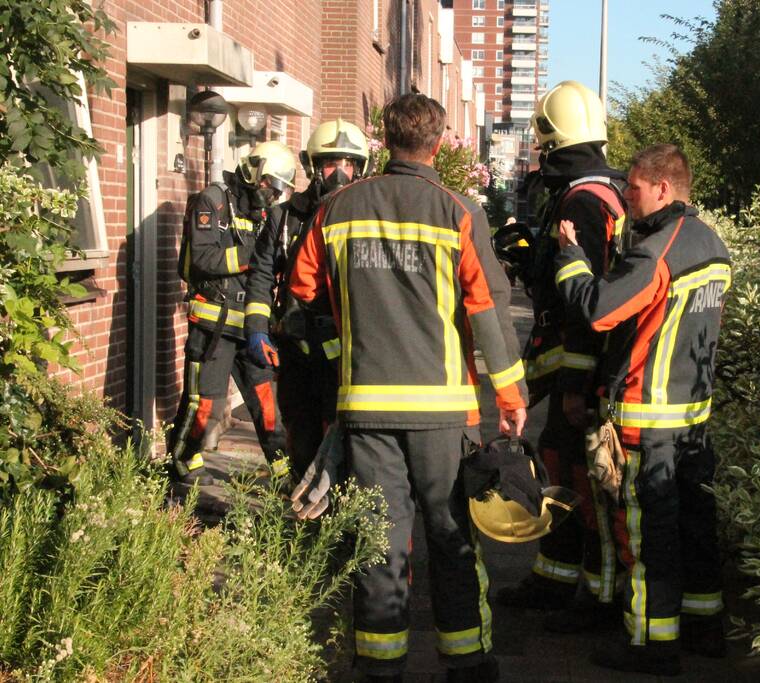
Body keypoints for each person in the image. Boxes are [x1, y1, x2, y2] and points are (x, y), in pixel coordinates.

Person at [288, 93, 527, 683]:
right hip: (444, 414)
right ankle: (466, 664)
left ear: (384, 141)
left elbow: (302, 290)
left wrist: (350, 322)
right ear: (438, 144)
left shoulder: (335, 209)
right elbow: (487, 310)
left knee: (379, 541)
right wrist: (511, 398)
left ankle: (379, 665)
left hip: (366, 410)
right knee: (451, 537)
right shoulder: (458, 211)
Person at [554, 144, 731, 676]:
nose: (625, 197)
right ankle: (705, 626)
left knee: (646, 537)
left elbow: (598, 310)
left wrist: (571, 258)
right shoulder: (711, 244)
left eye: (633, 187)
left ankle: (652, 644)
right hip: (692, 423)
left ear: (663, 188)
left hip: (645, 424)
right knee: (696, 527)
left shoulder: (656, 251)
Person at [497, 80, 627, 633]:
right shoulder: (598, 192)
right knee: (559, 465)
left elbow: (587, 302)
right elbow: (563, 279)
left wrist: (576, 387)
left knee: (583, 482)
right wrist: (531, 258)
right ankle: (554, 579)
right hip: (579, 365)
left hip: (584, 370)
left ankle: (598, 599)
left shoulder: (584, 201)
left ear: (553, 143)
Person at [243, 119, 369, 477]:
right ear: (314, 166)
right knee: (300, 434)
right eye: (330, 163)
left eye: (348, 164)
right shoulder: (284, 218)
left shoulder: (366, 219)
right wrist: (257, 327)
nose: (339, 173)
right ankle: (301, 499)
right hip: (297, 345)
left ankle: (340, 508)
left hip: (346, 351)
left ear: (360, 169)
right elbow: (261, 274)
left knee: (346, 439)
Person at [167, 140, 295, 486]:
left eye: (278, 190)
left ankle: (285, 471)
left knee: (267, 402)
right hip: (214, 324)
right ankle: (182, 461)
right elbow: (202, 258)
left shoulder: (265, 213)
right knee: (204, 404)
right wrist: (256, 254)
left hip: (251, 326)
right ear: (254, 172)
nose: (272, 194)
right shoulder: (213, 200)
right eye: (269, 184)